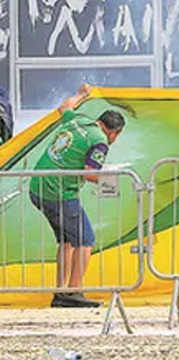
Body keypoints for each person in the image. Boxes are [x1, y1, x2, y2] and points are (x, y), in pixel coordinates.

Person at [29, 85, 126, 308]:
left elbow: (64, 106)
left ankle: (61, 291)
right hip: (58, 192)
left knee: (67, 241)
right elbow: (90, 173)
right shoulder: (99, 141)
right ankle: (73, 292)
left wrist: (82, 94)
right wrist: (112, 177)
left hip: (38, 187)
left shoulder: (79, 120)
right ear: (114, 132)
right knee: (85, 240)